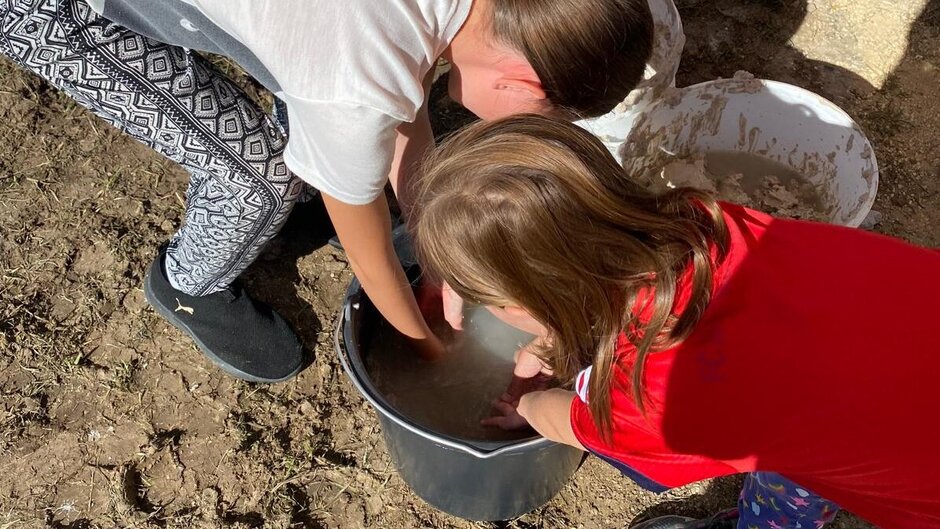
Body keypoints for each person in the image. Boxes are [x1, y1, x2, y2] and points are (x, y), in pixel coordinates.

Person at [0, 0, 667, 382]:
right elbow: (371, 255)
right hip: (51, 6)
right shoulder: (355, 85)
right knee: (262, 174)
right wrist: (428, 342)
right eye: (545, 120)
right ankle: (189, 285)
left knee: (332, 134)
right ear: (526, 89)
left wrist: (441, 260)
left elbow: (404, 105)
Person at [409, 114, 940, 529]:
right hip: (895, 353)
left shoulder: (654, 396)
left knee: (795, 463)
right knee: (802, 437)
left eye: (486, 301)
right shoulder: (706, 224)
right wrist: (551, 339)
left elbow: (580, 424)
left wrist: (527, 403)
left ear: (530, 304)